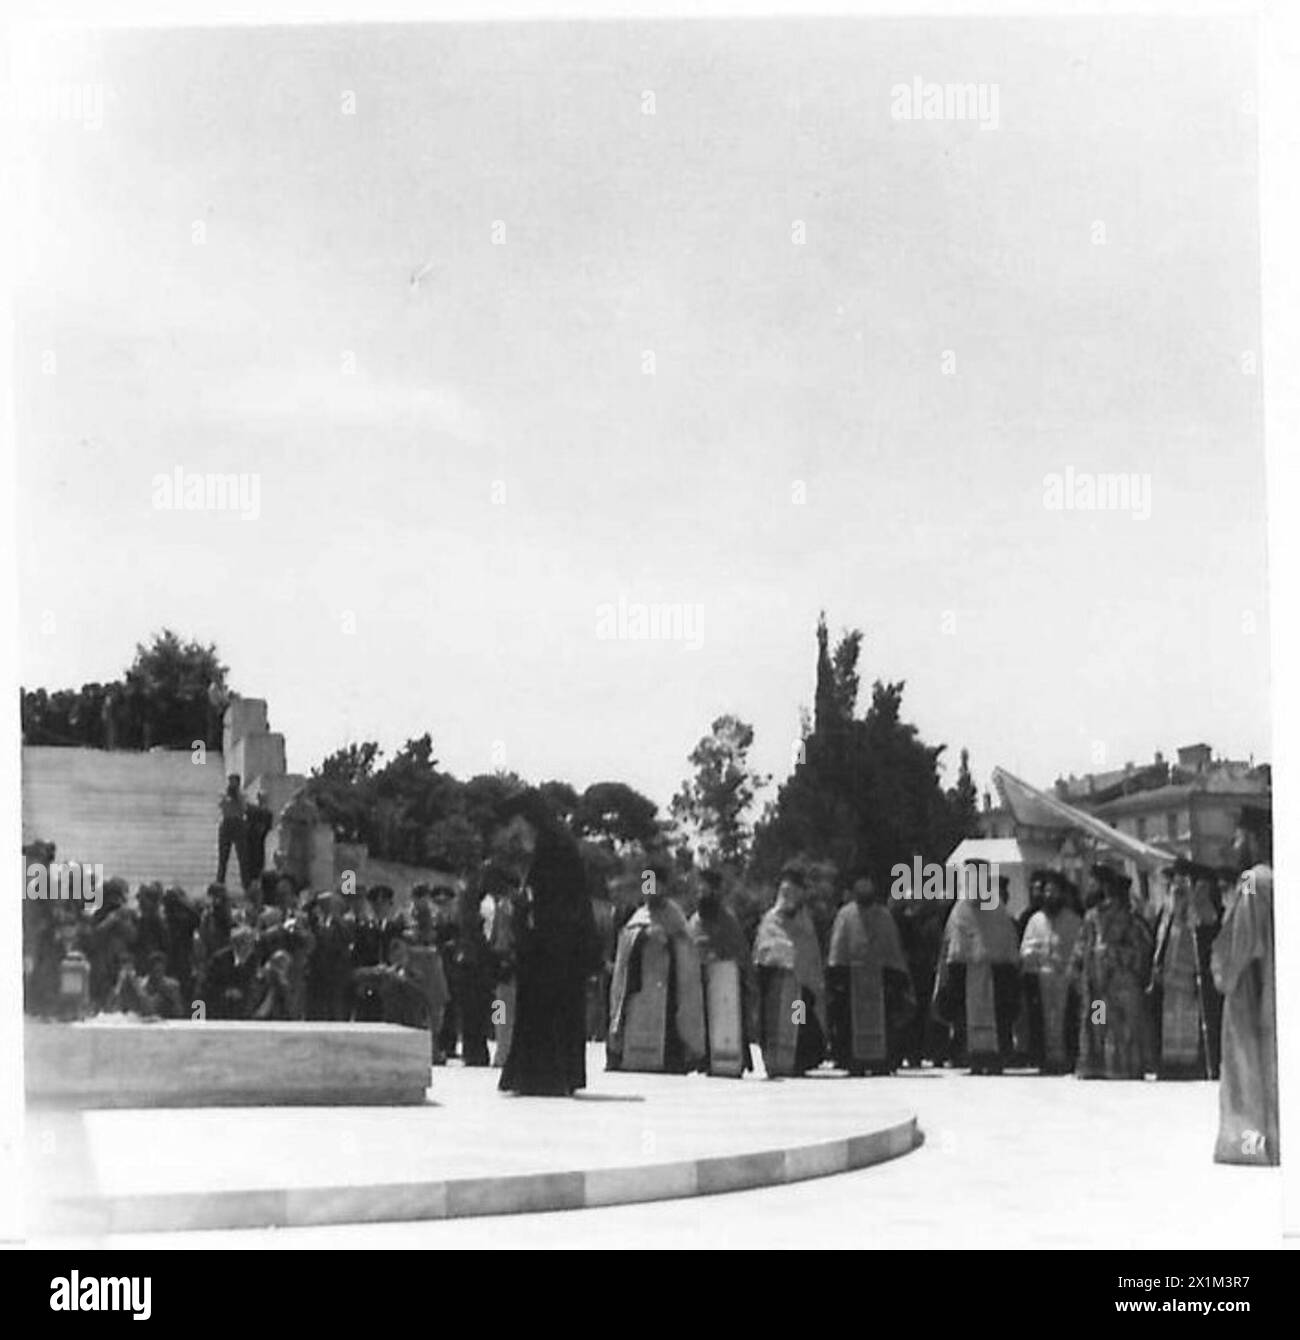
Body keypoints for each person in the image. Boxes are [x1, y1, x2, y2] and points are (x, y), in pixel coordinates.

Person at [495, 790, 600, 1096]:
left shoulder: (554, 847)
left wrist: (529, 910)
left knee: (546, 1010)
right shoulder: (550, 845)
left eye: (514, 822)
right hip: (545, 946)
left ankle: (545, 1076)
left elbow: (558, 901)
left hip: (555, 947)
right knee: (531, 1010)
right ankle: (532, 1072)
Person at [1212, 808, 1278, 1165]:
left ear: (1252, 838)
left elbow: (1242, 942)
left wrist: (1225, 970)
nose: (1234, 846)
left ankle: (1252, 1144)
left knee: (1248, 1066)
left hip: (1251, 989)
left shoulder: (1253, 880)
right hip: (1272, 983)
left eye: (1237, 838)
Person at [607, 862, 706, 1074]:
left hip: (667, 991)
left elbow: (686, 957)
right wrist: (643, 938)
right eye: (645, 884)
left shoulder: (675, 917)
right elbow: (625, 956)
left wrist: (668, 942)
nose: (648, 889)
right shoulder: (636, 917)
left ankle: (674, 1058)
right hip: (638, 988)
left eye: (652, 884)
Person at [932, 865, 1021, 1074]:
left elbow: (1006, 941)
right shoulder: (960, 910)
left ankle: (995, 1057)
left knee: (998, 1016)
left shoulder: (997, 908)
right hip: (965, 973)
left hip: (995, 973)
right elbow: (952, 944)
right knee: (964, 1017)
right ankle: (969, 1056)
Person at [826, 875, 915, 1075]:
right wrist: (837, 975)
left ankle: (883, 1060)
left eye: (868, 882)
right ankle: (852, 1060)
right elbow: (837, 950)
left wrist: (896, 977)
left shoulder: (884, 915)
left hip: (881, 980)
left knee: (887, 1018)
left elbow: (893, 951)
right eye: (861, 882)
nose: (864, 886)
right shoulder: (845, 915)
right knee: (846, 1019)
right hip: (851, 979)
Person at [1071, 863, 1151, 1079]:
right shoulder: (1091, 918)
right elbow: (1081, 946)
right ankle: (1097, 1062)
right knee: (1098, 1022)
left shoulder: (1129, 919)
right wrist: (1078, 969)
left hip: (1120, 985)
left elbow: (1140, 952)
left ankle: (1123, 1066)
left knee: (1122, 1026)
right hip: (1095, 986)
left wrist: (1112, 954)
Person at [752, 867, 827, 1077]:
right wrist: (779, 952)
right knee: (773, 1025)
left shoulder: (805, 923)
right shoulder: (770, 921)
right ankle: (773, 1061)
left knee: (799, 1024)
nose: (789, 898)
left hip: (798, 990)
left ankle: (797, 1059)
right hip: (775, 987)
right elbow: (762, 951)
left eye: (794, 893)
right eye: (786, 893)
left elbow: (810, 955)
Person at [687, 870, 756, 1076]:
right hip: (699, 982)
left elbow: (739, 952)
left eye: (707, 890)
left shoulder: (728, 920)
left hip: (726, 983)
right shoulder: (694, 921)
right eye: (700, 890)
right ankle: (701, 1058)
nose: (703, 895)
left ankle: (736, 1058)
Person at [1149, 863, 1214, 1080]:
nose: (1177, 895)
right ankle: (1171, 1063)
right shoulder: (1166, 916)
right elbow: (1160, 944)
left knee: (1188, 1022)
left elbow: (1205, 932)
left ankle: (1189, 1065)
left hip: (1189, 980)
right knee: (1170, 1022)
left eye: (1181, 890)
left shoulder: (1197, 913)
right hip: (1169, 980)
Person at [1019, 871, 1083, 1073]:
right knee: (1041, 1020)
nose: (1049, 896)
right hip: (1041, 979)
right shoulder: (1035, 920)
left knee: (1068, 1018)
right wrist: (1033, 953)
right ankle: (1043, 1058)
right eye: (1047, 891)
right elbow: (1024, 950)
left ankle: (1066, 1057)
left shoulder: (1073, 920)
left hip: (1065, 979)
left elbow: (1079, 950)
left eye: (1054, 892)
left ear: (1061, 894)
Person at [307, 892, 353, 1021]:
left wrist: (336, 917)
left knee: (337, 1011)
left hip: (337, 974)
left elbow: (347, 937)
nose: (323, 907)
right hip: (318, 975)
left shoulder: (344, 923)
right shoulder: (316, 923)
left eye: (327, 904)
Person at [204, 925, 260, 1018]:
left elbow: (250, 982)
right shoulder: (219, 959)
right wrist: (227, 991)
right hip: (219, 1002)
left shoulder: (253, 959)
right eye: (245, 944)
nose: (248, 949)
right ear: (236, 944)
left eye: (251, 944)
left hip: (242, 1002)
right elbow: (208, 984)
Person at [216, 774, 249, 889]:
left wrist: (237, 796)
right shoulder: (224, 794)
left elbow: (244, 809)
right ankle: (219, 883)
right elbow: (222, 806)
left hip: (238, 824)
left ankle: (245, 884)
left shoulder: (242, 795)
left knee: (243, 857)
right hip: (227, 824)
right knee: (223, 858)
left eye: (234, 781)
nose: (232, 783)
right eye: (230, 781)